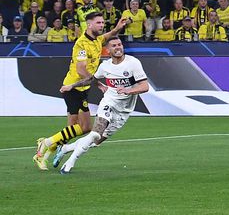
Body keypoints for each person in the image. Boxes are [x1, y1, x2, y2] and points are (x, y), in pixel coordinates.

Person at [34, 11, 129, 170]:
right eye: (98, 23)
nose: (102, 25)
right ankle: (46, 144)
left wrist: (118, 27)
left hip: (82, 88)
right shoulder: (81, 44)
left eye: (102, 22)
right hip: (73, 87)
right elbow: (81, 69)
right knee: (85, 127)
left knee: (71, 129)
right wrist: (99, 84)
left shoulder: (97, 39)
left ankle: (46, 149)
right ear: (89, 24)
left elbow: (109, 35)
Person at [53, 36, 149, 174]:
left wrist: (129, 90)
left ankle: (65, 149)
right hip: (108, 103)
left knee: (95, 142)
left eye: (120, 44)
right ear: (107, 50)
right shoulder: (105, 66)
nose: (118, 47)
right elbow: (91, 80)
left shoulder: (133, 63)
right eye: (114, 45)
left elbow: (145, 86)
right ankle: (69, 163)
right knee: (94, 134)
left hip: (123, 111)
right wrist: (72, 86)